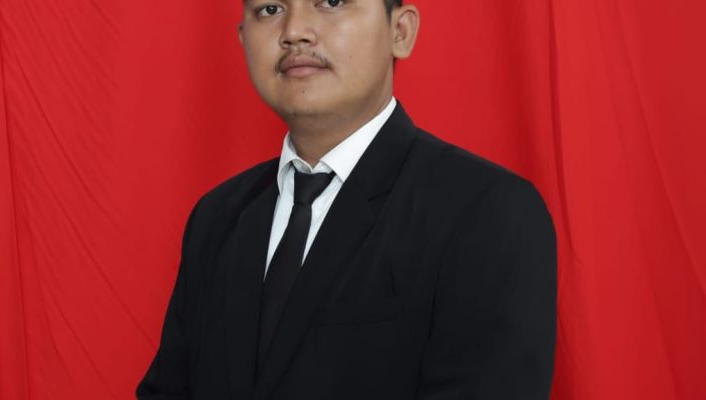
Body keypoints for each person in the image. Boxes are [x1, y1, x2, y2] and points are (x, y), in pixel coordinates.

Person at [137, 0, 557, 399]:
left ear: (400, 31)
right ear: (243, 38)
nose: (294, 31)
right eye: (270, 9)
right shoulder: (217, 217)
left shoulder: (488, 212)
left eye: (332, 2)